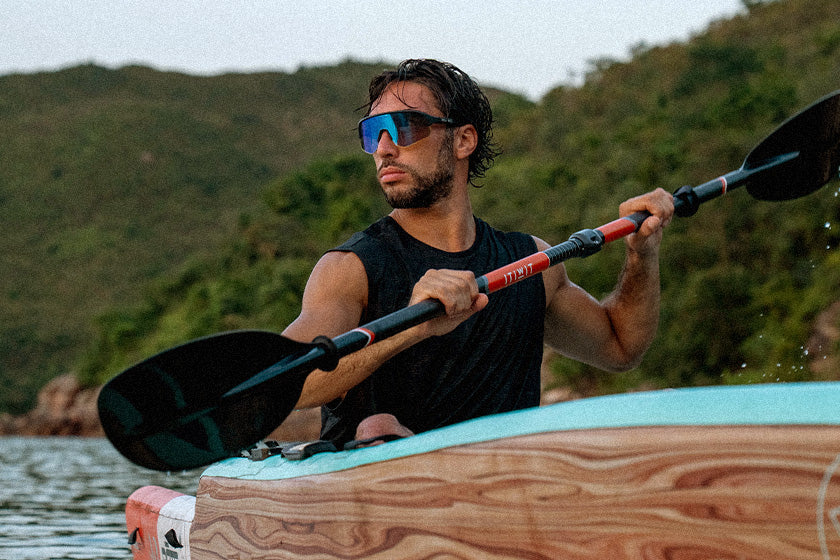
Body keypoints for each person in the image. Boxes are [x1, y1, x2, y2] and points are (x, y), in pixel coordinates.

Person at [283, 59, 674, 448]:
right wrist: (412, 327)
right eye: (373, 133)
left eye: (404, 126)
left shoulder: (530, 262)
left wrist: (642, 253)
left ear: (463, 140)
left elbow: (621, 347)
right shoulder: (350, 269)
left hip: (504, 499)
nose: (384, 148)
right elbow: (285, 384)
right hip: (384, 503)